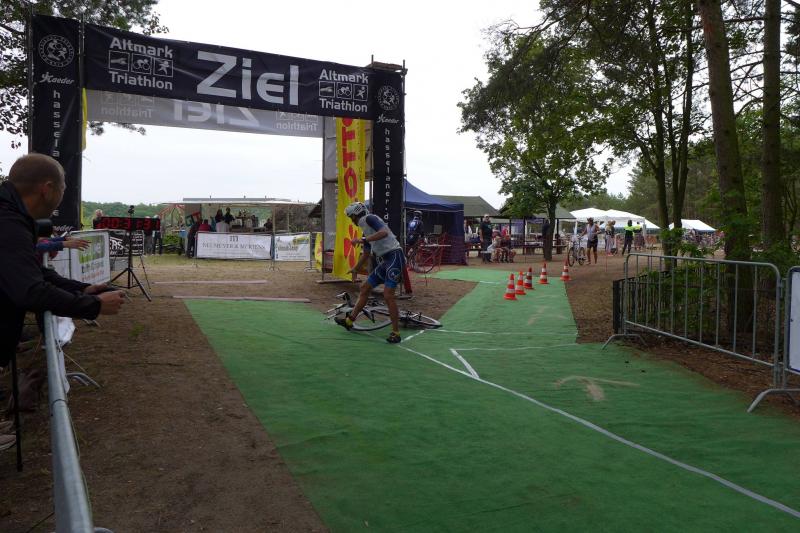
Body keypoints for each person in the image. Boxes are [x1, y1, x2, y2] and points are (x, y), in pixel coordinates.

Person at [0, 154, 126, 410]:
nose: (62, 195)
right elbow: (31, 291)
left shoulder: (13, 218)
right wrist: (93, 306)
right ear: (47, 189)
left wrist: (83, 289)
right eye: (63, 188)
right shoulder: (8, 223)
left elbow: (34, 272)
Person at [334, 202, 405, 344]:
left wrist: (362, 240)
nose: (351, 221)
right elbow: (366, 254)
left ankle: (396, 333)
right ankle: (349, 321)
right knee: (365, 288)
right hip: (386, 260)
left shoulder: (369, 218)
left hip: (395, 256)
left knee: (388, 295)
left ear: (356, 215)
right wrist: (355, 268)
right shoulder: (365, 229)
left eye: (351, 217)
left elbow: (384, 233)